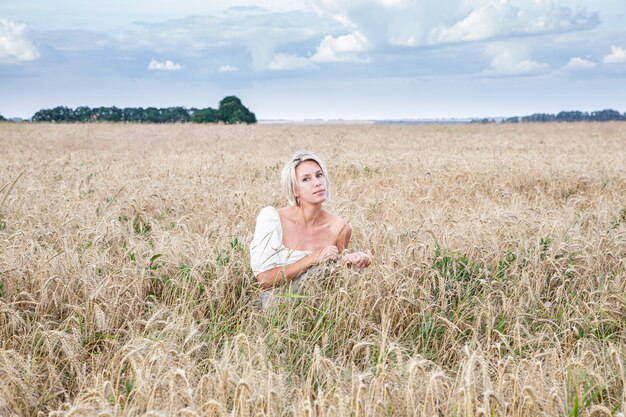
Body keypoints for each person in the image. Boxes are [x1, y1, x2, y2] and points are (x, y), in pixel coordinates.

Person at [250, 150, 372, 309]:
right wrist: (314, 258)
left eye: (319, 175)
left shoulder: (340, 228)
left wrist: (350, 263)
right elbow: (264, 279)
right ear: (295, 190)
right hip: (275, 317)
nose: (317, 182)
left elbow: (332, 283)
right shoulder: (272, 219)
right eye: (306, 179)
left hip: (317, 314)